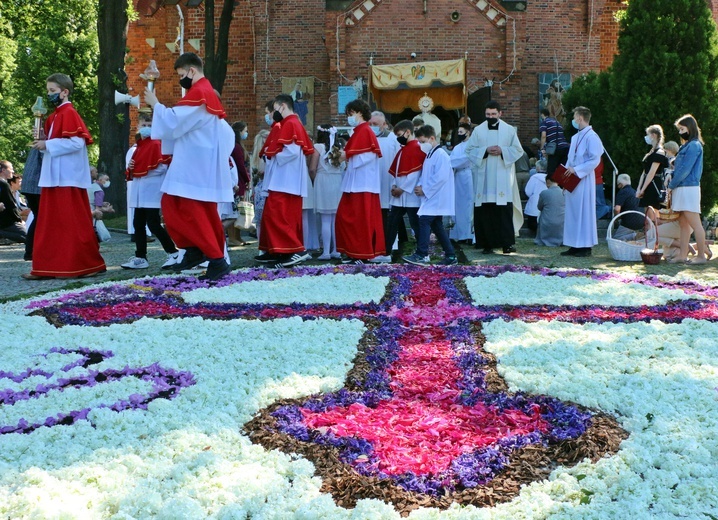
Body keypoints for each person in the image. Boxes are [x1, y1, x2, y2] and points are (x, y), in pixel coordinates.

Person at [144, 52, 235, 281]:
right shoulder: (203, 92)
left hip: (195, 165)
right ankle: (199, 251)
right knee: (184, 207)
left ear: (192, 71)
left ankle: (213, 258)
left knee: (193, 212)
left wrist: (156, 105)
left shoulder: (201, 93)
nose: (181, 79)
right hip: (195, 162)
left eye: (182, 75)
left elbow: (174, 122)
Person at [23, 73, 106, 279]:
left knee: (71, 224)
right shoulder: (53, 117)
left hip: (67, 177)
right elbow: (52, 147)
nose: (49, 94)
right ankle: (46, 267)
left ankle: (84, 265)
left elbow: (77, 142)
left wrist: (48, 144)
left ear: (64, 92)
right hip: (53, 177)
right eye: (48, 91)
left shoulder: (69, 113)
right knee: (50, 224)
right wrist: (42, 142)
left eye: (53, 91)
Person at [255, 93, 314, 267]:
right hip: (281, 180)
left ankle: (296, 250)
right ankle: (278, 251)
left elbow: (292, 152)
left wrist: (273, 155)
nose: (273, 114)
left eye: (274, 110)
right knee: (273, 215)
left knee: (280, 217)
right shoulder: (287, 124)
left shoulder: (291, 123)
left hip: (287, 181)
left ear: (282, 106)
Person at [121, 109, 180, 270]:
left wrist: (140, 167)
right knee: (138, 223)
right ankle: (141, 256)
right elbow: (135, 167)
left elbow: (162, 167)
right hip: (140, 190)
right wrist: (132, 167)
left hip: (152, 189)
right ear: (138, 126)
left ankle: (173, 252)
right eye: (143, 124)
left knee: (153, 224)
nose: (146, 127)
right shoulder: (140, 145)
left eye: (149, 124)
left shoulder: (157, 144)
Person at [465, 100, 524, 255]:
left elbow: (518, 150)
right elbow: (469, 149)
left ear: (500, 113)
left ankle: (507, 244)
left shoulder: (509, 130)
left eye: (493, 114)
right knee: (485, 213)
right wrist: (484, 150)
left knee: (503, 213)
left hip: (502, 178)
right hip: (483, 180)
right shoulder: (478, 130)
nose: (490, 117)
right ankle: (486, 244)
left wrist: (503, 151)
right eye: (487, 114)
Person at [335, 99, 386, 264]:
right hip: (354, 183)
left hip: (363, 184)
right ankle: (351, 251)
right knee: (346, 217)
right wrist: (346, 156)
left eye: (352, 113)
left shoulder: (365, 131)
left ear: (360, 113)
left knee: (360, 221)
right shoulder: (358, 131)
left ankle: (361, 253)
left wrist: (347, 156)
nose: (350, 117)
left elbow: (369, 155)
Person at [403, 125, 457, 265]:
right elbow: (425, 174)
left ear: (432, 138)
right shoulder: (430, 154)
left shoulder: (441, 155)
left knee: (424, 221)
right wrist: (420, 186)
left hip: (437, 195)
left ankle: (421, 254)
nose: (420, 145)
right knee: (437, 225)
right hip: (431, 195)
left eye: (422, 141)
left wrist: (425, 189)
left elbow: (441, 177)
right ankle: (451, 256)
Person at [560, 106, 603, 257]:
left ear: (579, 118)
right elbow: (570, 159)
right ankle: (574, 244)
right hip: (572, 178)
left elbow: (595, 160)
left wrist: (577, 170)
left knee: (583, 212)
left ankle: (585, 246)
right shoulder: (576, 137)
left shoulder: (592, 137)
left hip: (583, 179)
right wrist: (565, 178)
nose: (573, 120)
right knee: (572, 212)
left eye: (574, 117)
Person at [666, 114, 709, 264]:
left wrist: (671, 186)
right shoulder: (688, 145)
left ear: (690, 128)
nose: (680, 132)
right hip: (683, 187)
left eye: (682, 129)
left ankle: (701, 256)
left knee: (695, 224)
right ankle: (682, 255)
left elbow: (685, 169)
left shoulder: (694, 146)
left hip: (688, 188)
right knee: (684, 224)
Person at [386, 120, 425, 258]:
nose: (398, 137)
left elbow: (415, 174)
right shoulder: (403, 149)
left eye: (399, 134)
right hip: (399, 195)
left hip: (410, 195)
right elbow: (396, 171)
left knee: (416, 224)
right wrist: (394, 185)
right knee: (391, 223)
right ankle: (386, 250)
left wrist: (401, 189)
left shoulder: (416, 148)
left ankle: (422, 252)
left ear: (408, 132)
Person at [369, 110, 401, 255]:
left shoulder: (393, 139)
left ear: (384, 124)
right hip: (371, 183)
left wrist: (397, 182)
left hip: (388, 182)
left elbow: (399, 161)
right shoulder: (367, 137)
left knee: (388, 216)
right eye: (370, 124)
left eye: (375, 124)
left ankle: (390, 246)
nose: (372, 126)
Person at [313, 125, 345, 260]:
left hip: (322, 181)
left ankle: (326, 251)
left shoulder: (318, 147)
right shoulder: (340, 149)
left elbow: (312, 168)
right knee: (334, 219)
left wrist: (315, 179)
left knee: (325, 219)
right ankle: (336, 249)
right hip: (337, 181)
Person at [252, 100, 277, 239]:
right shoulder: (263, 154)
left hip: (259, 189)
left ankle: (261, 246)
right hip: (266, 188)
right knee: (266, 221)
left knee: (259, 222)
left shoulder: (256, 156)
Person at [449, 122, 474, 243]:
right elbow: (453, 160)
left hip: (468, 175)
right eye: (458, 132)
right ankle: (459, 233)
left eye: (461, 132)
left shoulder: (472, 145)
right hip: (458, 176)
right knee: (458, 205)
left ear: (468, 132)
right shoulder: (457, 147)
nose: (459, 134)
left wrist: (450, 162)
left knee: (469, 204)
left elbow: (466, 159)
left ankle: (469, 234)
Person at [229, 121, 252, 246]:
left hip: (240, 180)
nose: (246, 133)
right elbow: (240, 165)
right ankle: (233, 237)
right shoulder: (236, 147)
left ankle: (238, 237)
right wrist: (247, 179)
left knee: (239, 211)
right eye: (245, 131)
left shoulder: (238, 145)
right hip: (238, 180)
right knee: (234, 211)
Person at [636, 124, 669, 210]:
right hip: (647, 184)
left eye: (648, 134)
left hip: (653, 185)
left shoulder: (660, 152)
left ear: (653, 135)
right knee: (647, 216)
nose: (647, 137)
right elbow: (644, 172)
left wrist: (642, 189)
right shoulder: (651, 152)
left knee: (652, 215)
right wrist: (639, 188)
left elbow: (651, 172)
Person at [20, 148, 42, 260]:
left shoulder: (38, 144)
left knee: (38, 218)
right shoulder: (44, 143)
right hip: (38, 185)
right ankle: (31, 251)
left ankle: (30, 251)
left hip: (30, 185)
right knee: (40, 218)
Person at [0, 161, 27, 244]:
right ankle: (2, 235)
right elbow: (10, 205)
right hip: (7, 221)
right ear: (3, 170)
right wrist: (19, 219)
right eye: (11, 169)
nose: (13, 171)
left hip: (3, 220)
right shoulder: (4, 184)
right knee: (28, 237)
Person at [539, 108, 570, 178]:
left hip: (555, 149)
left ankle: (552, 187)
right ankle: (561, 187)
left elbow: (543, 136)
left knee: (551, 171)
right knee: (562, 171)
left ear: (542, 114)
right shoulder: (557, 122)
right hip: (565, 148)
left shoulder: (544, 122)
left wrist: (542, 148)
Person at [535, 175, 565, 246]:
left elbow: (539, 207)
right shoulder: (564, 193)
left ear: (548, 181)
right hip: (561, 222)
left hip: (547, 222)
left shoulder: (544, 193)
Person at [612, 174, 645, 240]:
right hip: (641, 219)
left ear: (620, 184)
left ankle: (634, 236)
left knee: (616, 239)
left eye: (618, 185)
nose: (618, 187)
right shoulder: (635, 192)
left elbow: (617, 209)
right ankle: (636, 235)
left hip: (629, 221)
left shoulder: (622, 192)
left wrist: (616, 219)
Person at [523, 161, 548, 234]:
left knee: (533, 222)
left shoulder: (534, 178)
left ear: (538, 167)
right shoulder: (549, 178)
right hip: (545, 202)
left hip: (534, 203)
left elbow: (528, 191)